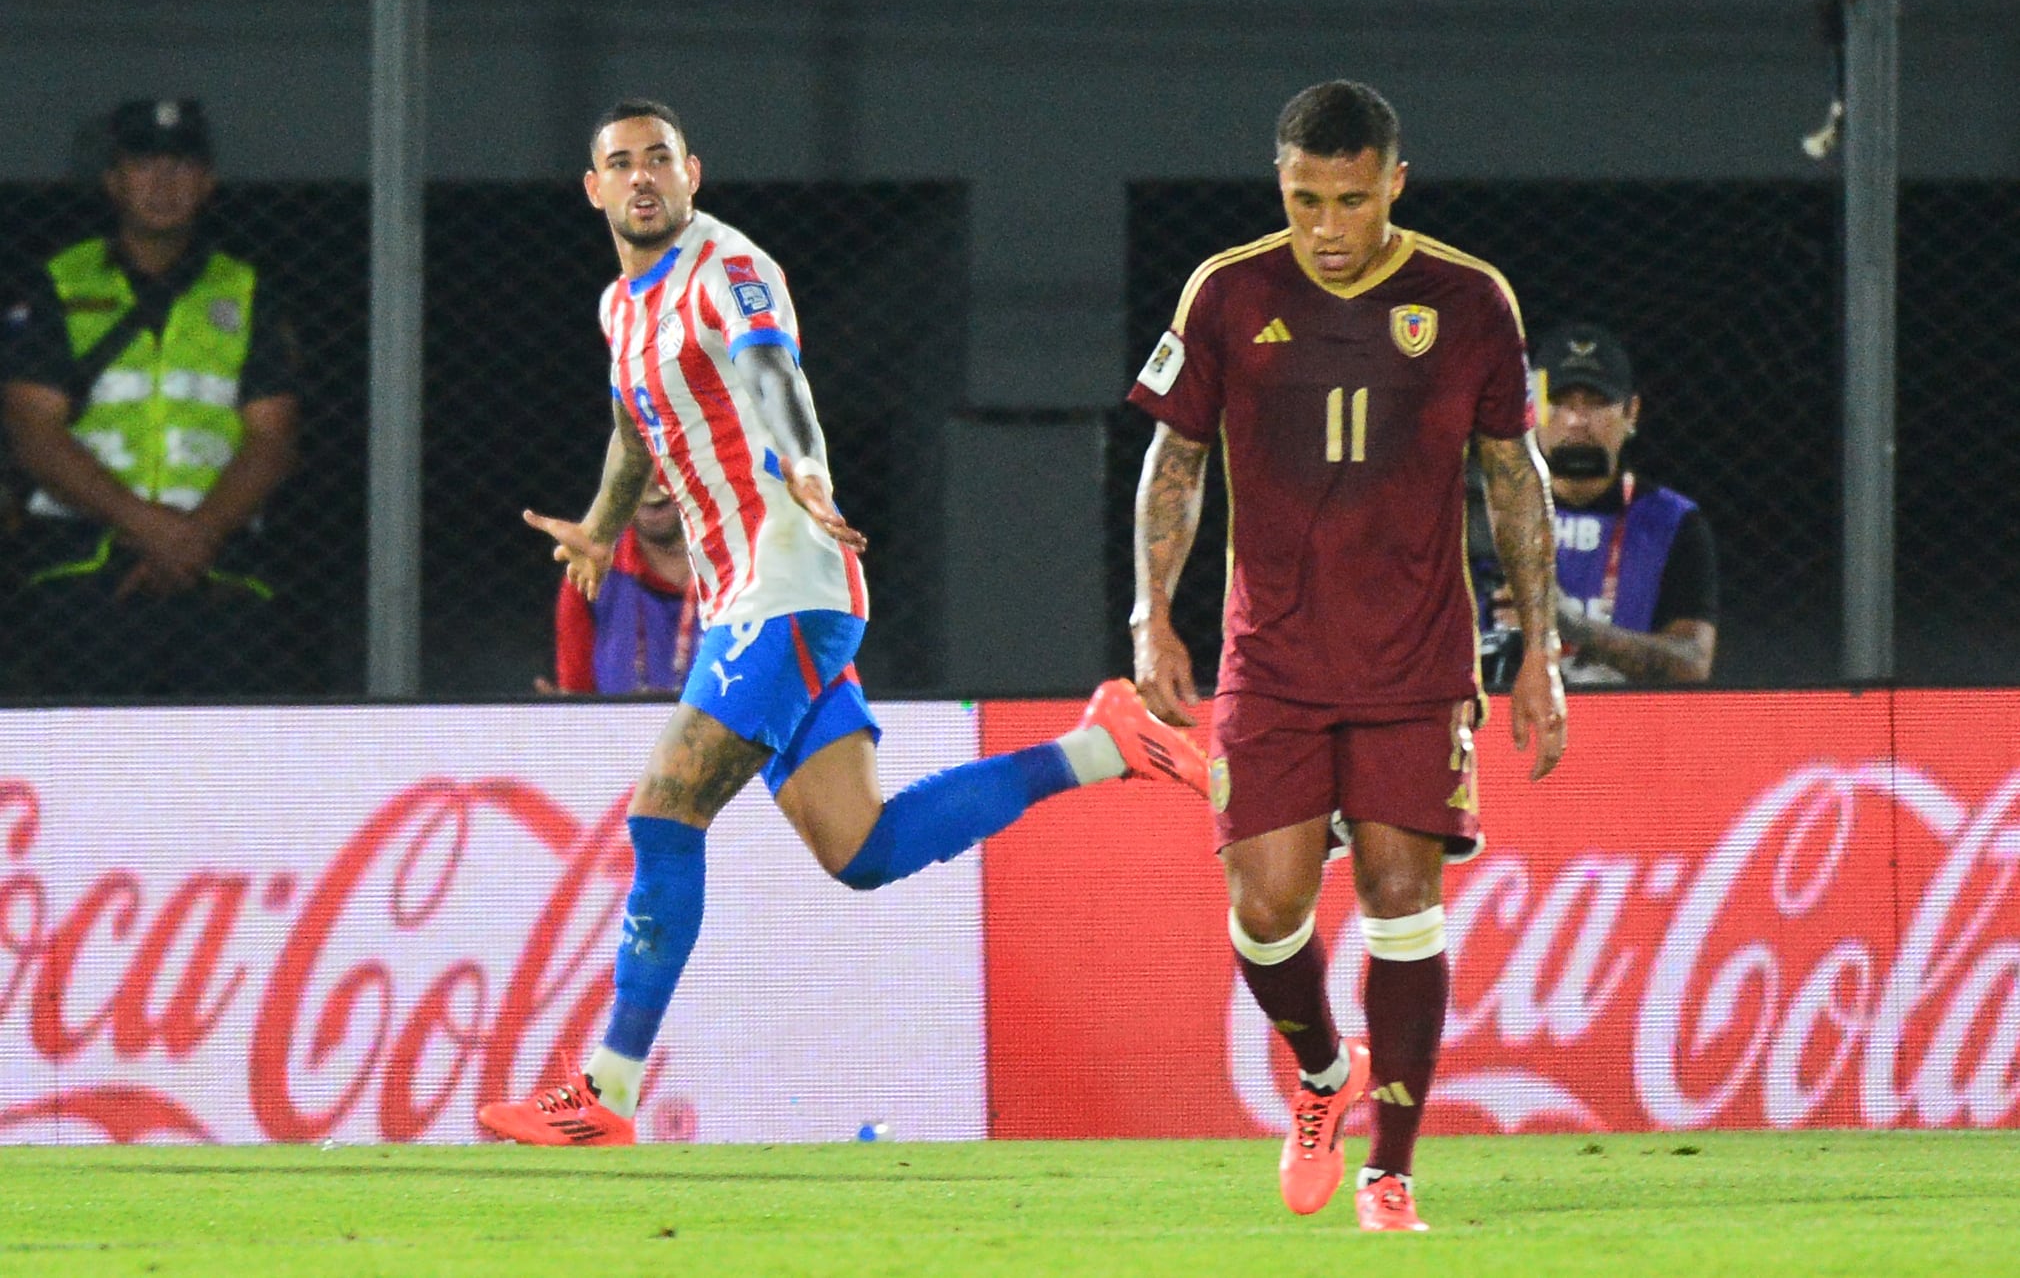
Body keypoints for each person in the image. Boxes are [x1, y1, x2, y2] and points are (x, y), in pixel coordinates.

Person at [478, 98, 1210, 1147]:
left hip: (783, 584)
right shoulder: (619, 308)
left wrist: (806, 467)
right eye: (619, 164)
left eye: (658, 160)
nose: (642, 178)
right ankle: (1102, 746)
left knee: (661, 814)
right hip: (758, 598)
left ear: (694, 171)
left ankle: (605, 1093)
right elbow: (636, 421)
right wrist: (600, 527)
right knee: (860, 849)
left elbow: (774, 374)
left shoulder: (726, 268)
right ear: (593, 189)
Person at [1125, 80, 1567, 1232]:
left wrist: (1541, 650)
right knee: (1266, 909)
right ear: (1281, 183)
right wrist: (1150, 613)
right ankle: (1324, 1074)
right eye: (1308, 199)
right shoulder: (1226, 292)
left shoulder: (1468, 300)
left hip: (1414, 661)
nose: (1329, 228)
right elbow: (1176, 463)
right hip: (1269, 658)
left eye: (1354, 201)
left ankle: (1392, 1173)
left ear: (1394, 185)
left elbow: (1512, 478)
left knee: (1398, 894)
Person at [0, 98, 300, 698]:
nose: (163, 182)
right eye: (143, 164)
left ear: (208, 182)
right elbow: (34, 432)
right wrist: (152, 530)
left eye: (182, 165)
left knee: (222, 768)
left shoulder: (247, 291)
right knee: (90, 764)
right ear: (113, 181)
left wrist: (194, 540)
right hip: (80, 569)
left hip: (219, 569)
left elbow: (273, 438)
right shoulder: (55, 283)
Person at [1510, 322, 1717, 685]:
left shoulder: (1673, 522)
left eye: (1597, 403)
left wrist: (1571, 626)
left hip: (1629, 731)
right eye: (1558, 402)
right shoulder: (1487, 516)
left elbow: (1692, 664)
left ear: (1631, 412)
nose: (1576, 421)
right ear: (1530, 409)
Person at [542, 475, 705, 695]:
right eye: (639, 462)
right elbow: (577, 701)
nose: (652, 480)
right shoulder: (590, 573)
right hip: (618, 729)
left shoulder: (744, 571)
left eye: (662, 457)